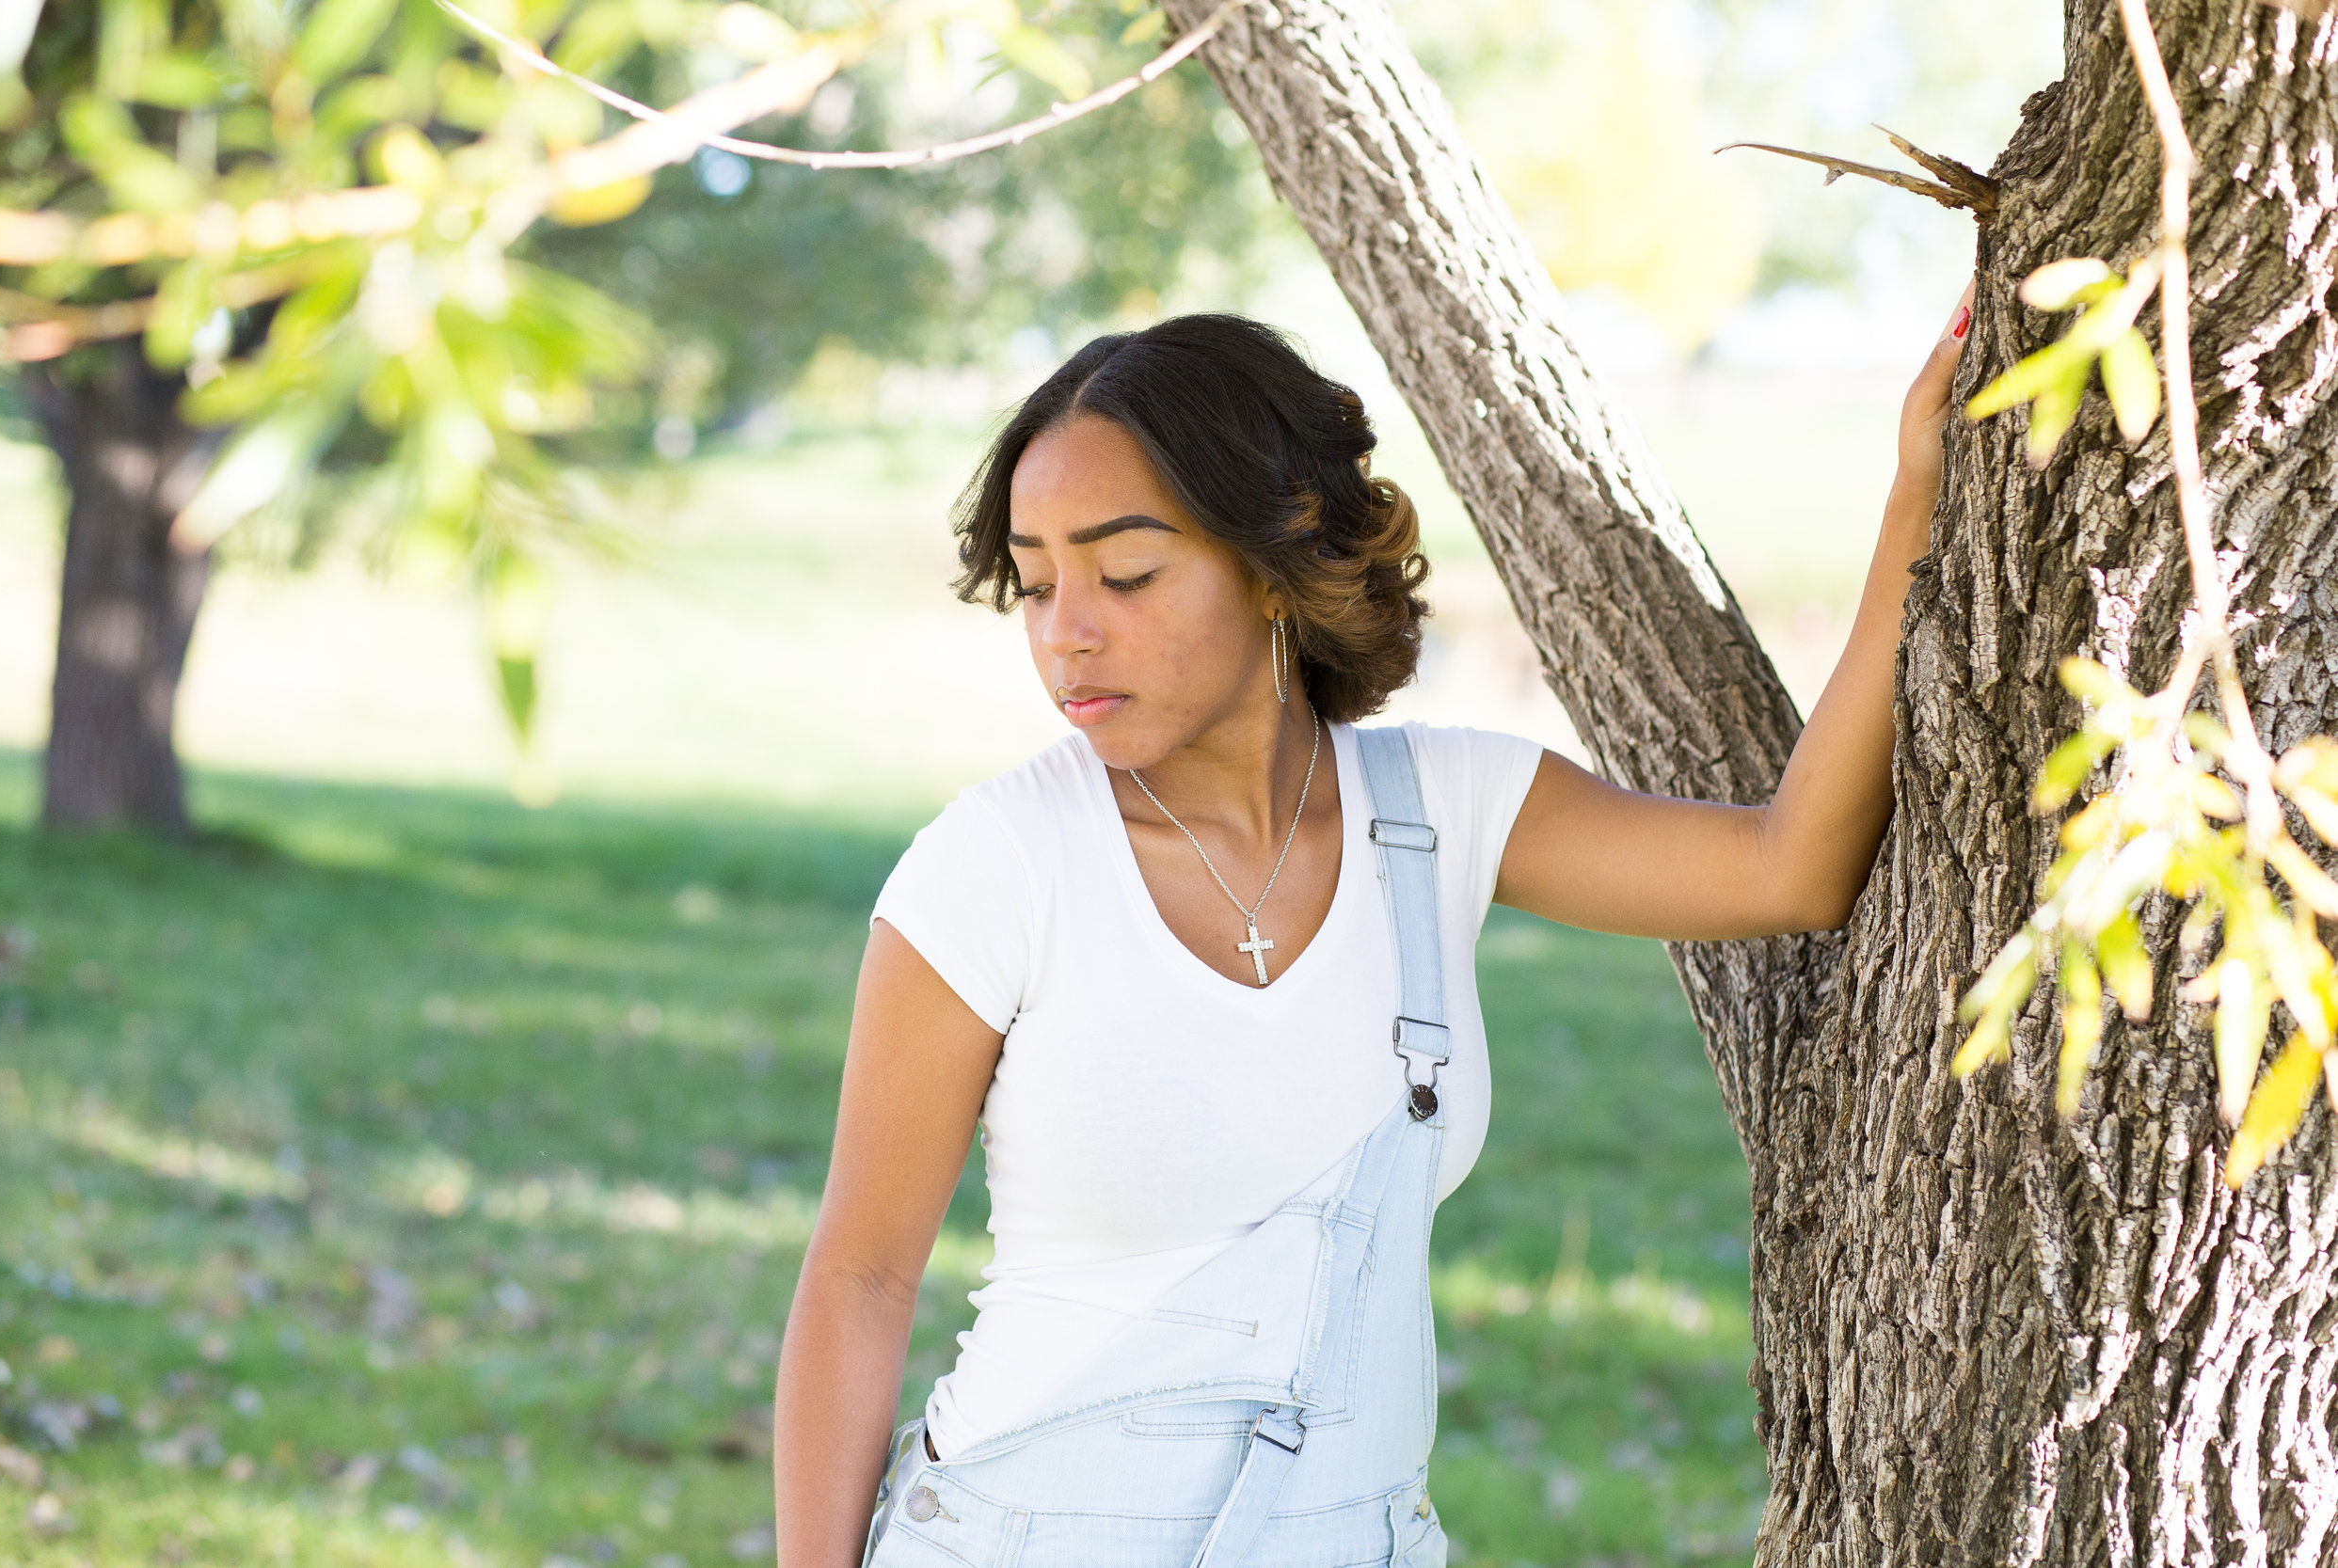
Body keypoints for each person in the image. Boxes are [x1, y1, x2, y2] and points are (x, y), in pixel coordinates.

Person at [773, 293, 1974, 1567]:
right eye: (1034, 583)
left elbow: (1794, 867)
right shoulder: (997, 864)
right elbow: (860, 1279)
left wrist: (1918, 495)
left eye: (1126, 573)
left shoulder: (1447, 811)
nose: (1069, 630)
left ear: (1274, 562)